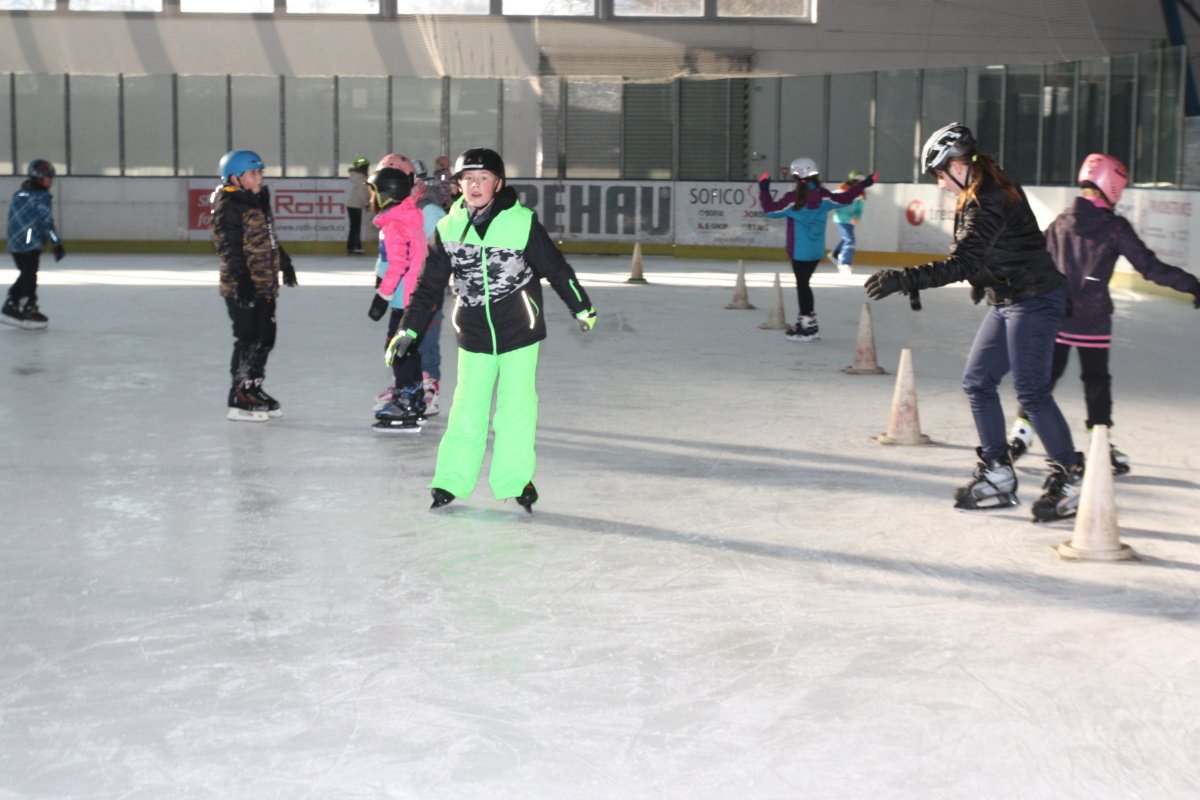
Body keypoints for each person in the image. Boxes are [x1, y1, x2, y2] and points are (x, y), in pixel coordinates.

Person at [864, 122, 1083, 522]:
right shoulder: (981, 191)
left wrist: (905, 279)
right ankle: (998, 471)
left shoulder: (988, 198)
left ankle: (1071, 477)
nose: (940, 184)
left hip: (1034, 300)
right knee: (978, 381)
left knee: (1032, 392)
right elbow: (999, 249)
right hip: (1010, 298)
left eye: (939, 174)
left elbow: (963, 261)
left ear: (957, 165)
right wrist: (985, 280)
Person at [386, 147, 596, 512]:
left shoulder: (522, 222)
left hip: (520, 331)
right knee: (467, 408)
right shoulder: (448, 228)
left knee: (517, 409)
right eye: (468, 178)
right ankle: (451, 480)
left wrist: (581, 305)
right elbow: (428, 287)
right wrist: (408, 331)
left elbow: (556, 268)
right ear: (458, 184)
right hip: (474, 333)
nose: (475, 185)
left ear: (498, 183)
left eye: (483, 178)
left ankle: (516, 480)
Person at [1007, 153, 1200, 474]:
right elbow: (1149, 267)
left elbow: (1033, 259)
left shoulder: (1061, 221)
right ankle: (1100, 446)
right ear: (1112, 185)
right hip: (1092, 320)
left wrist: (1004, 283)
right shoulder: (1114, 227)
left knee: (1043, 379)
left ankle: (1020, 435)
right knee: (1096, 382)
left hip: (1055, 313)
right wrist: (1191, 283)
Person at [212, 149, 298, 423]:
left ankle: (253, 386)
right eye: (252, 173)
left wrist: (284, 262)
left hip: (265, 284)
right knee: (248, 338)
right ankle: (238, 394)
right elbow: (228, 247)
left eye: (260, 172)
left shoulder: (258, 199)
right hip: (243, 286)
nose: (259, 177)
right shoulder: (229, 204)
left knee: (265, 338)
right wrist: (242, 280)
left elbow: (268, 237)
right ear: (234, 178)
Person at [758, 158, 874, 341]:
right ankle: (808, 322)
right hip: (815, 251)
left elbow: (770, 211)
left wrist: (764, 188)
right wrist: (865, 184)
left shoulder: (792, 200)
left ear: (796, 177)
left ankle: (808, 326)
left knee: (802, 286)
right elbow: (845, 198)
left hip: (799, 251)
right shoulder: (824, 197)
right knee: (804, 285)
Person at [366, 165, 428, 432]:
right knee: (409, 349)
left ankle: (405, 399)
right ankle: (414, 395)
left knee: (396, 349)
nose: (371, 199)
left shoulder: (394, 224)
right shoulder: (408, 217)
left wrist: (382, 296)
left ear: (386, 195)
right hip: (415, 297)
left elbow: (398, 263)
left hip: (404, 299)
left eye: (374, 193)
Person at [3, 159, 65, 330]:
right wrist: (56, 243)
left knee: (26, 273)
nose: (50, 182)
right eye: (48, 178)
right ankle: (28, 306)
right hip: (29, 240)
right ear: (38, 178)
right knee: (30, 275)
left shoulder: (20, 194)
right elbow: (46, 222)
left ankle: (12, 303)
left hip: (14, 241)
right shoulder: (42, 197)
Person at [412, 159, 449, 414]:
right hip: (408, 290)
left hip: (428, 290)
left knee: (426, 341)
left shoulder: (430, 211)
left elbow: (443, 252)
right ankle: (409, 386)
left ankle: (429, 390)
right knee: (408, 341)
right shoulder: (406, 208)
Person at [830, 170, 866, 274]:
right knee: (850, 240)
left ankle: (835, 254)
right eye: (857, 181)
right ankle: (844, 263)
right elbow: (832, 199)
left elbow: (859, 209)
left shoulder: (859, 194)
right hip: (841, 220)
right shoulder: (842, 191)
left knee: (846, 238)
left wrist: (856, 217)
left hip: (850, 221)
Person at [345, 155, 370, 255]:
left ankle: (354, 246)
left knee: (354, 226)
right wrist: (366, 203)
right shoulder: (362, 178)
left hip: (351, 204)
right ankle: (354, 247)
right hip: (356, 204)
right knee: (356, 226)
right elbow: (362, 193)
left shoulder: (353, 176)